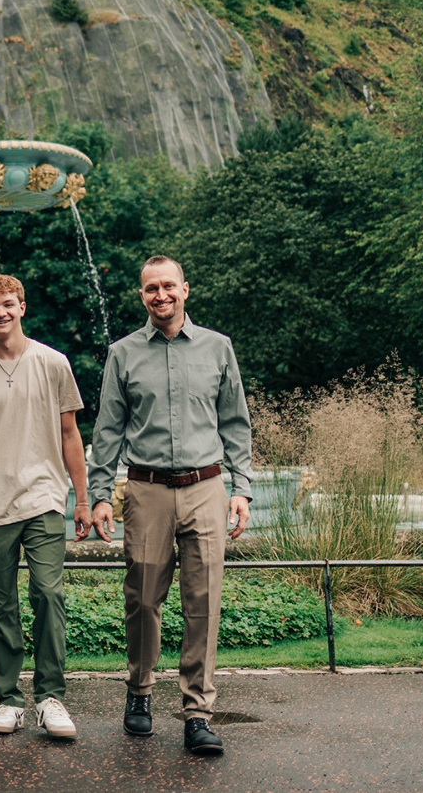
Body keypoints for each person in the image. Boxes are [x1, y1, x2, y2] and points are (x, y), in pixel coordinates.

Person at [87, 255, 254, 756]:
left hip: (206, 487)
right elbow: (108, 429)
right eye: (150, 289)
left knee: (203, 603)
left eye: (168, 287)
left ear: (186, 289)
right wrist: (99, 495)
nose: (160, 295)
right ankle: (139, 692)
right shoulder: (123, 353)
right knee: (142, 598)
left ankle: (197, 713)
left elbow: (236, 424)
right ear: (142, 296)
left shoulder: (218, 348)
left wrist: (241, 488)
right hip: (147, 490)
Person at [0, 275, 90, 739]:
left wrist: (83, 499)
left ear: (22, 307)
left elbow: (71, 434)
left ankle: (51, 697)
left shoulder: (53, 363)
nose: (0, 313)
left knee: (48, 595)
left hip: (44, 498)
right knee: (0, 605)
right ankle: (8, 699)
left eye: (8, 304)